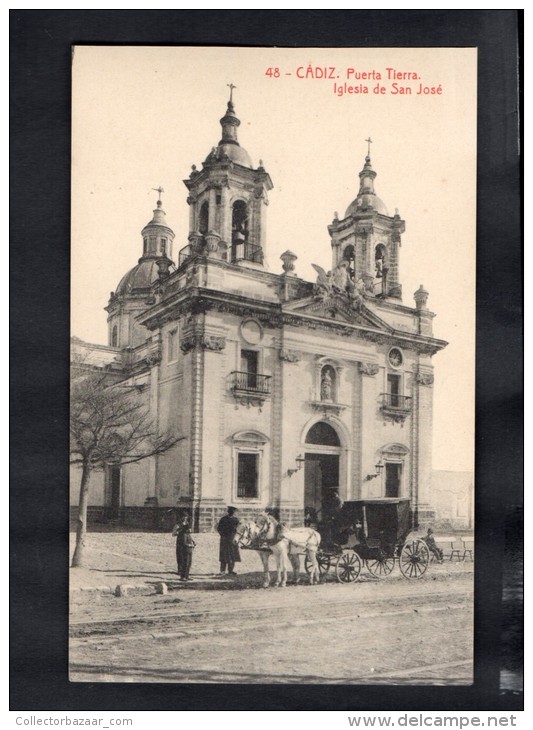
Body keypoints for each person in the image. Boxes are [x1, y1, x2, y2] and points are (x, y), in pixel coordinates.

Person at [217, 506, 241, 575]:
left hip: (233, 540)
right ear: (228, 512)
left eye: (233, 512)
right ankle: (222, 571)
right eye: (231, 511)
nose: (232, 513)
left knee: (232, 555)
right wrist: (223, 535)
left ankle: (230, 570)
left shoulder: (236, 520)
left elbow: (238, 529)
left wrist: (236, 537)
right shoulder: (223, 519)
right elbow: (219, 528)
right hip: (224, 539)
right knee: (224, 556)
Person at [172, 513, 196, 580]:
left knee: (188, 561)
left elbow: (189, 534)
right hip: (180, 542)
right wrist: (179, 531)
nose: (185, 518)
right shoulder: (178, 524)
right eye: (184, 517)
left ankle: (186, 575)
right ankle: (181, 572)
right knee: (181, 558)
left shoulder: (187, 523)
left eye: (186, 517)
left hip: (186, 541)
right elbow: (173, 534)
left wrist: (192, 541)